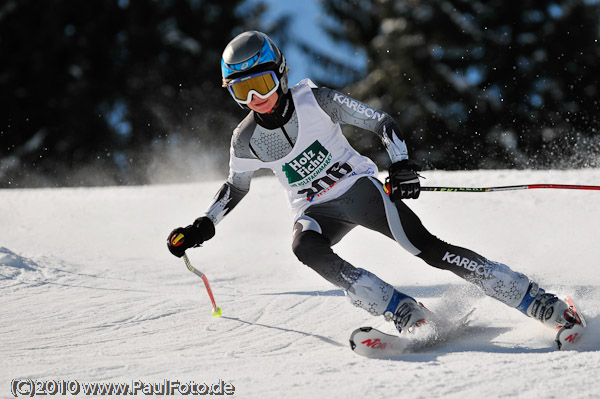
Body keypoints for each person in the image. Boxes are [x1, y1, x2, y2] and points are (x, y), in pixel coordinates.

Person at [167, 31, 581, 335]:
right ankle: (399, 309)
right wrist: (202, 226)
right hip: (314, 210)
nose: (255, 99)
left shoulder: (316, 100)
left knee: (427, 249)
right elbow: (234, 188)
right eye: (242, 90)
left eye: (262, 84)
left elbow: (382, 122)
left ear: (279, 74)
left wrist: (400, 167)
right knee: (303, 247)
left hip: (360, 190)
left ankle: (534, 299)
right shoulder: (246, 139)